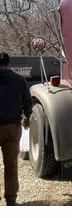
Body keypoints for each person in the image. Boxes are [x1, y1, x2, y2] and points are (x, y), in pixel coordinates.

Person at [0, 52, 32, 206]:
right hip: (13, 127)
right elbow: (27, 101)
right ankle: (11, 200)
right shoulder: (18, 79)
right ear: (8, 63)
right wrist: (26, 118)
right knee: (11, 164)